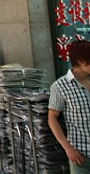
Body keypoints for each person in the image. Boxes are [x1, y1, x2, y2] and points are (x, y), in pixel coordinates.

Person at [48, 40, 90, 173]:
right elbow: (52, 118)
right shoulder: (60, 86)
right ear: (81, 62)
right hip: (81, 156)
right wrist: (68, 148)